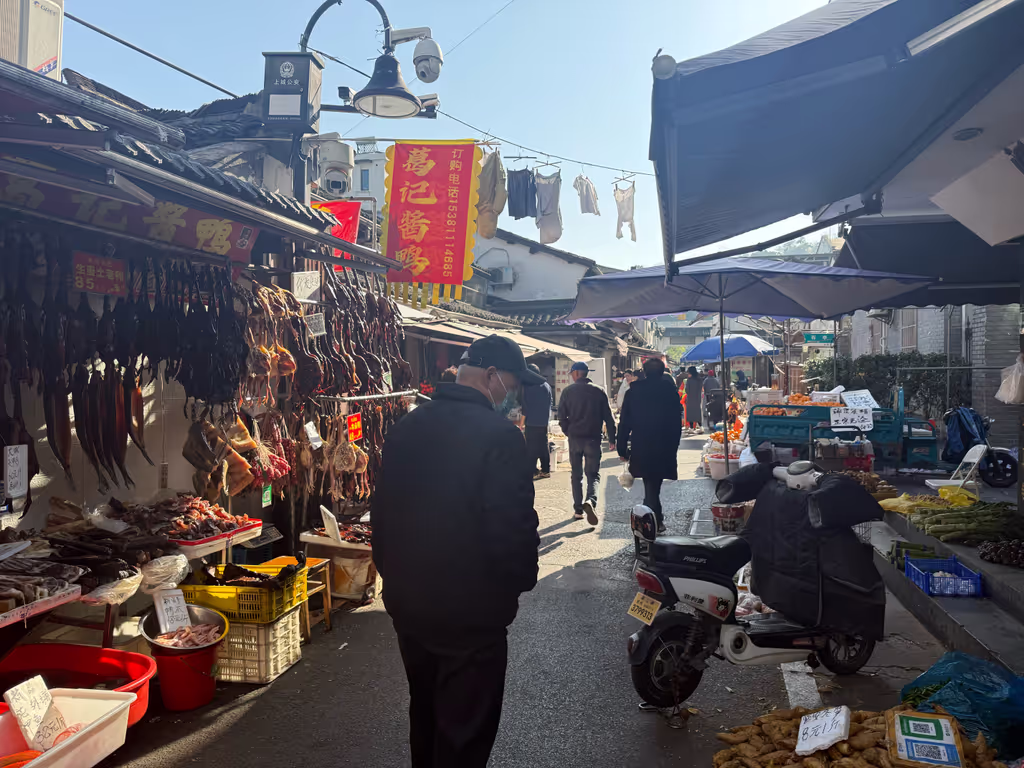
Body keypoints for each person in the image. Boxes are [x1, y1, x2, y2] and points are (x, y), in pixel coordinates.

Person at [372, 335, 541, 768]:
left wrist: (394, 577)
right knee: (464, 737)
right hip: (471, 617)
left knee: (425, 716)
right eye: (513, 384)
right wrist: (517, 584)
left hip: (410, 607)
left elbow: (382, 513)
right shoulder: (500, 436)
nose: (516, 394)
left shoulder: (407, 425)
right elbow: (512, 530)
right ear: (489, 376)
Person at [617, 357, 682, 534]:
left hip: (642, 444)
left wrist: (621, 447)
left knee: (650, 483)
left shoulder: (634, 392)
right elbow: (677, 422)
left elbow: (624, 423)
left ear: (644, 372)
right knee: (654, 483)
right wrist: (674, 445)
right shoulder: (670, 392)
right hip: (664, 444)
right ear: (662, 372)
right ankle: (654, 519)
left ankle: (651, 520)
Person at [557, 361, 616, 524]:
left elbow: (561, 416)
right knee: (593, 474)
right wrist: (612, 439)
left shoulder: (568, 391)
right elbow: (609, 419)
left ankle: (578, 510)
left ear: (576, 373)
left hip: (575, 439)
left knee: (576, 475)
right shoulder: (599, 391)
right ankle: (591, 501)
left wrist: (568, 432)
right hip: (593, 439)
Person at [522, 363, 553, 479]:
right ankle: (545, 470)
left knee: (531, 448)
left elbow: (525, 408)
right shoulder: (546, 385)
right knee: (543, 446)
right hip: (544, 422)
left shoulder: (528, 387)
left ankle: (533, 471)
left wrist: (521, 424)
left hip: (531, 422)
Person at [683, 366, 703, 431]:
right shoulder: (699, 380)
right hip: (697, 398)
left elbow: (687, 390)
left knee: (690, 413)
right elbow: (700, 389)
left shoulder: (689, 380)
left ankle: (691, 428)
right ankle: (700, 426)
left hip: (690, 399)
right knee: (698, 412)